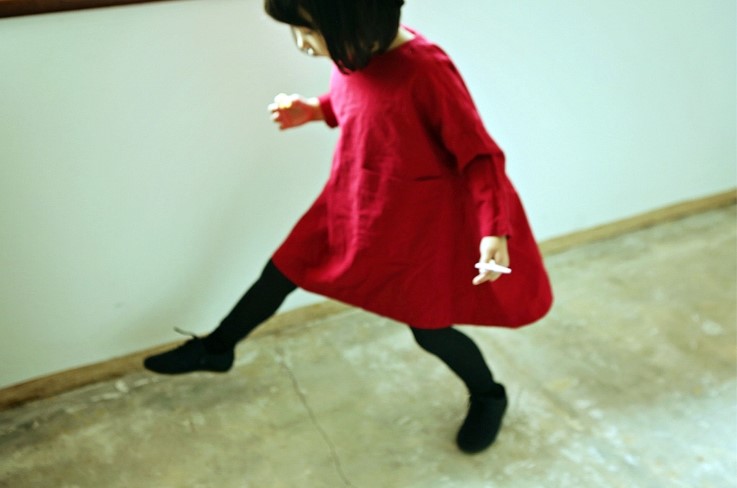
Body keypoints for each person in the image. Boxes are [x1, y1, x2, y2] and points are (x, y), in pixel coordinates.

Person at [144, 0, 553, 455]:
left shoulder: (427, 71)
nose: (302, 45)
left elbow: (480, 156)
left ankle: (488, 395)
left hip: (418, 222)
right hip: (354, 194)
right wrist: (314, 110)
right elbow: (363, 103)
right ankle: (218, 348)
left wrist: (493, 230)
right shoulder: (353, 53)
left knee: (429, 329)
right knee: (284, 269)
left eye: (309, 31)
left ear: (357, 18)